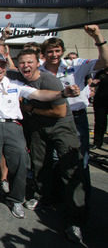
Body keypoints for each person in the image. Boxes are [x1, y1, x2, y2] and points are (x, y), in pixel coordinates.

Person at [0, 53, 80, 219]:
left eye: (2, 65)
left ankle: (16, 199)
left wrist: (62, 94)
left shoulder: (15, 83)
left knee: (19, 163)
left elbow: (39, 94)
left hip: (13, 126)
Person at [14, 49, 87, 243]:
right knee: (40, 163)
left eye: (30, 62)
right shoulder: (20, 79)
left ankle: (75, 219)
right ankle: (43, 196)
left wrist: (31, 108)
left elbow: (60, 111)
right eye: (22, 63)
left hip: (61, 128)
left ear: (38, 63)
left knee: (70, 170)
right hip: (39, 129)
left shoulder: (48, 80)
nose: (25, 66)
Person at [39, 26, 107, 177]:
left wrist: (97, 37)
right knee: (54, 160)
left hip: (76, 118)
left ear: (62, 51)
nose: (54, 54)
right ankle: (59, 197)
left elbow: (105, 62)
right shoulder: (39, 70)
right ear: (44, 54)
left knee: (79, 159)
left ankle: (81, 199)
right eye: (50, 51)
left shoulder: (76, 64)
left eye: (57, 50)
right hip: (52, 118)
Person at [92, 67, 108, 149]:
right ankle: (97, 142)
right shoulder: (100, 72)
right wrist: (94, 83)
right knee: (99, 123)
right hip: (100, 101)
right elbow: (92, 83)